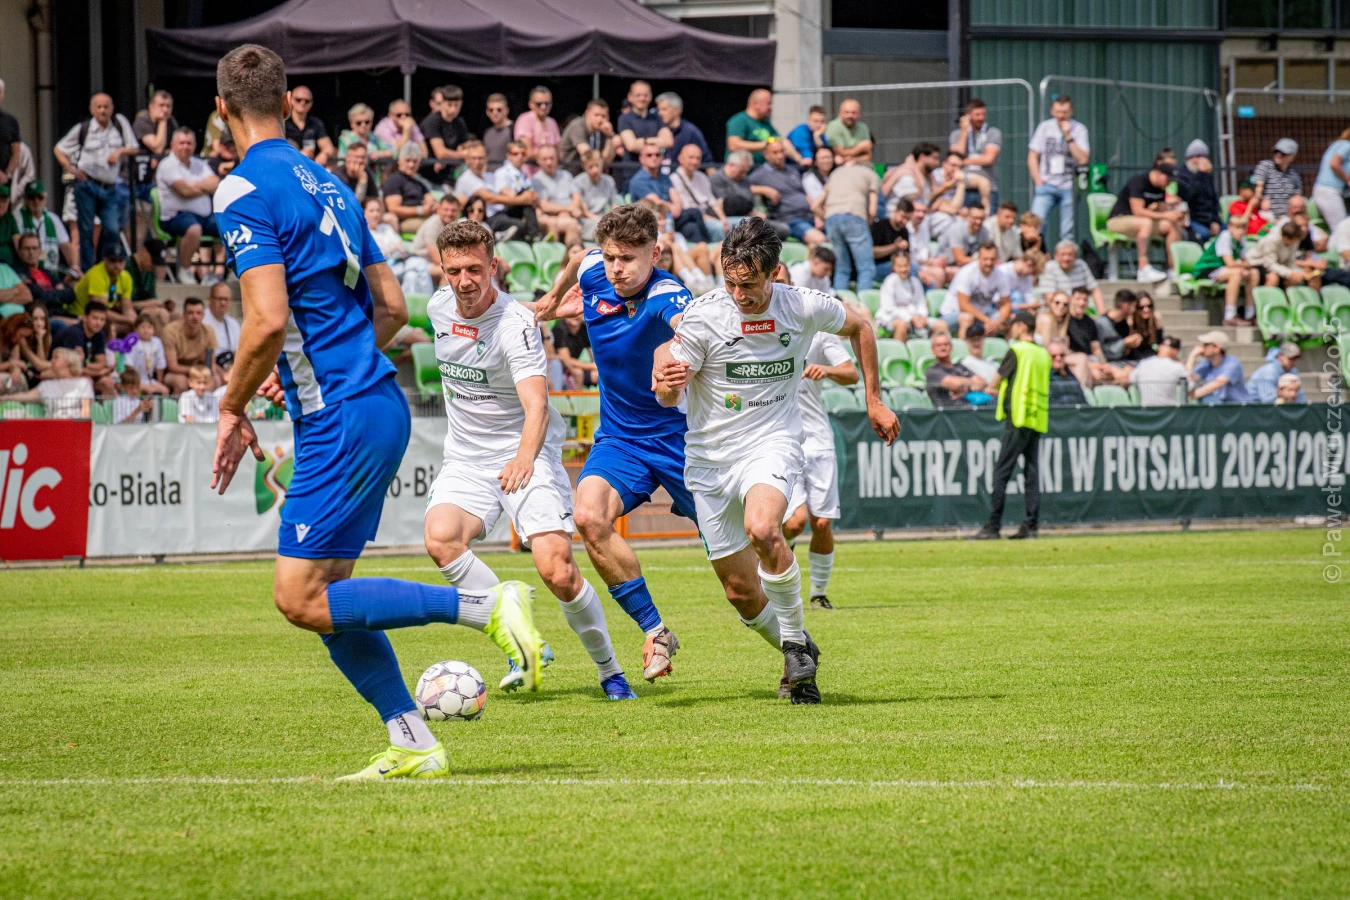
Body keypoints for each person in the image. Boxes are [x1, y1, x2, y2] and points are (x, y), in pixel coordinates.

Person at [208, 44, 549, 782]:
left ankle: (482, 606)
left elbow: (266, 321)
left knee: (298, 597)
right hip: (375, 402)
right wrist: (323, 364)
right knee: (330, 595)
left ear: (222, 110)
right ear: (287, 101)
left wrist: (231, 405)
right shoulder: (330, 184)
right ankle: (412, 739)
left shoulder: (241, 189)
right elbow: (391, 306)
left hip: (340, 415)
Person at [654, 218, 897, 703]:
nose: (738, 294)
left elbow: (861, 327)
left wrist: (874, 400)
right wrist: (667, 383)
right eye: (730, 282)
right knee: (740, 593)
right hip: (708, 460)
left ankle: (794, 648)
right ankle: (799, 645)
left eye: (749, 284)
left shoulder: (801, 305)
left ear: (774, 273)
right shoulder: (704, 316)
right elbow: (666, 395)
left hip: (773, 442)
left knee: (764, 529)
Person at [420, 220, 633, 698]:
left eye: (475, 269)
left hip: (526, 454)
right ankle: (519, 636)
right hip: (466, 460)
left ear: (494, 265)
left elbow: (536, 405)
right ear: (443, 270)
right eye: (454, 271)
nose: (464, 280)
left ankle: (610, 671)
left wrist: (522, 459)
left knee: (557, 570)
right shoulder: (437, 307)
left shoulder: (515, 327)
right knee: (441, 539)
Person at [533, 205, 694, 683]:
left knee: (738, 577)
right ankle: (656, 631)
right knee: (588, 517)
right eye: (610, 258)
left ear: (654, 254)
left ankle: (792, 640)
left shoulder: (668, 294)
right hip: (621, 438)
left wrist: (678, 350)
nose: (615, 268)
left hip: (685, 441)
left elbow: (691, 328)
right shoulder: (592, 268)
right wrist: (552, 298)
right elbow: (576, 261)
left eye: (627, 259)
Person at [780, 289, 858, 613]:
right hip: (783, 440)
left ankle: (818, 594)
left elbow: (852, 373)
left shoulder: (820, 335)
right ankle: (778, 556)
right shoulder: (762, 333)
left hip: (818, 439)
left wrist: (827, 370)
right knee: (796, 522)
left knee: (822, 523)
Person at [970, 311, 1050, 540]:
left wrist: (985, 389)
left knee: (1001, 472)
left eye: (1014, 325)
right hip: (1037, 417)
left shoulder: (1017, 350)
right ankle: (1031, 526)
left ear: (1022, 326)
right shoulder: (1043, 354)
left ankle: (993, 525)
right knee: (1031, 474)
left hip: (1018, 416)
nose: (1012, 329)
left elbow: (995, 381)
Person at [54, 93, 138, 269]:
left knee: (112, 229)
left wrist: (119, 152)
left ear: (112, 108)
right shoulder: (83, 129)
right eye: (99, 107)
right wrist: (71, 169)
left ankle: (108, 268)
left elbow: (134, 148)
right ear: (92, 110)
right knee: (86, 230)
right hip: (87, 185)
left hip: (109, 186)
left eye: (106, 107)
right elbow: (59, 149)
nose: (102, 111)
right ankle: (88, 271)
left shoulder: (119, 124)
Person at [157, 127, 223, 285]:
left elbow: (216, 183)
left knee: (228, 224)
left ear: (194, 145)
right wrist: (204, 187)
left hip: (203, 216)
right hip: (175, 217)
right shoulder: (167, 165)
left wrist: (193, 185)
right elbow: (184, 191)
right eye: (182, 143)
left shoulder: (200, 164)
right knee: (194, 229)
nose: (185, 147)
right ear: (173, 145)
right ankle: (185, 270)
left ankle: (224, 271)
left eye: (189, 143)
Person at [1028, 94, 1089, 244]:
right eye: (1057, 112)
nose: (1061, 116)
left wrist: (1068, 137)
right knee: (1036, 225)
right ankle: (1039, 255)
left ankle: (1065, 257)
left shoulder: (1079, 129)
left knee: (1067, 231)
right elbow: (1032, 155)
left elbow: (1083, 159)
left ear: (1071, 112)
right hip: (1046, 185)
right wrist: (1038, 180)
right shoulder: (1044, 127)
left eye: (1065, 112)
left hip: (1068, 187)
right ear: (1052, 111)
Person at [812, 158, 880, 292]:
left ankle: (839, 303)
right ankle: (863, 303)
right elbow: (873, 210)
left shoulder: (836, 173)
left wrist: (828, 219)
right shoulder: (871, 174)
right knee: (866, 268)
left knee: (842, 268)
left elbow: (815, 206)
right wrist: (866, 225)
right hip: (854, 216)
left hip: (831, 219)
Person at [1105, 163, 1177, 284]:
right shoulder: (1138, 182)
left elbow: (1156, 210)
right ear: (1158, 174)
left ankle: (1172, 269)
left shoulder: (1161, 189)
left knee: (1170, 226)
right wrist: (1165, 215)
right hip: (1118, 221)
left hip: (1142, 224)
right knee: (1146, 223)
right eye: (1168, 179)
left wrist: (1171, 210)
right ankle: (1143, 269)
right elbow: (1137, 211)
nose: (1169, 183)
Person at [748, 139, 823, 245]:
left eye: (782, 151)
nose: (780, 156)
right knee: (820, 240)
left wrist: (818, 216)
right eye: (775, 153)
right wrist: (763, 189)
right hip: (790, 219)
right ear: (766, 155)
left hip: (810, 216)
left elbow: (805, 195)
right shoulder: (760, 174)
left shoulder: (793, 170)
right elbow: (743, 187)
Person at [454, 140, 529, 239]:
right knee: (520, 225)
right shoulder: (466, 178)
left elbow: (503, 191)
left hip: (502, 213)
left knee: (528, 207)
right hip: (485, 218)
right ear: (467, 160)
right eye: (474, 158)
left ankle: (535, 234)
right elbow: (490, 198)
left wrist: (525, 196)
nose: (477, 162)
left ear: (486, 159)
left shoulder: (490, 176)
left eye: (481, 158)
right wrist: (521, 199)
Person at [1195, 214, 1259, 325]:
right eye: (1237, 228)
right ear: (1230, 228)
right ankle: (1229, 316)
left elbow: (1247, 262)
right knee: (1236, 274)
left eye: (1243, 228)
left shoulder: (1242, 240)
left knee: (1254, 273)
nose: (1241, 232)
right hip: (1208, 268)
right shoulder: (1225, 237)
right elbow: (1230, 263)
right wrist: (1242, 266)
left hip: (1226, 269)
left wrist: (1243, 267)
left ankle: (1250, 314)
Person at [13, 180, 79, 276]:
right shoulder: (18, 218)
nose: (36, 201)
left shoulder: (53, 219)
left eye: (40, 197)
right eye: (32, 197)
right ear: (26, 200)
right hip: (28, 272)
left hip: (51, 272)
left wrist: (74, 267)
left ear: (45, 198)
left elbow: (66, 246)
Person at [946, 242, 1012, 337]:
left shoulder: (1001, 275)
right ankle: (962, 345)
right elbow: (963, 305)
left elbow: (1006, 304)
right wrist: (988, 321)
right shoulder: (967, 273)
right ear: (979, 258)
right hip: (954, 313)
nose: (989, 263)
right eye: (985, 259)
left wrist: (997, 322)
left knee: (1010, 319)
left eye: (992, 259)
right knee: (967, 318)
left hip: (982, 314)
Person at [50, 299, 115, 396]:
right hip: (57, 372)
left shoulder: (99, 334)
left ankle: (106, 407)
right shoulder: (75, 334)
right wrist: (98, 372)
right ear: (84, 317)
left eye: (102, 320)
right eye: (95, 318)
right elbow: (73, 368)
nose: (98, 323)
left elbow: (102, 363)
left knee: (108, 382)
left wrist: (86, 365)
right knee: (87, 381)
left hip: (83, 371)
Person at [8, 346, 94, 417]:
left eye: (56, 358)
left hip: (76, 427)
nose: (52, 361)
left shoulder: (83, 383)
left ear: (68, 361)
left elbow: (85, 411)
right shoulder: (46, 385)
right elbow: (24, 396)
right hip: (53, 427)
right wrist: (3, 398)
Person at [669, 143, 727, 242]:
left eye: (698, 158)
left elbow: (712, 201)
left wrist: (723, 219)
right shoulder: (674, 179)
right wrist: (717, 221)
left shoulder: (702, 176)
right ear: (681, 159)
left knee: (742, 222)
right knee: (718, 227)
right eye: (691, 157)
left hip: (710, 215)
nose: (694, 161)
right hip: (694, 219)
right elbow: (687, 208)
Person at [161, 296, 219, 393]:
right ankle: (178, 403)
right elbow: (172, 366)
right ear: (184, 315)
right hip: (175, 373)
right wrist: (196, 372)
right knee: (181, 382)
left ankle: (210, 403)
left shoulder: (208, 331)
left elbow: (210, 364)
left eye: (198, 313)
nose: (195, 317)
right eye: (190, 313)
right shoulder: (170, 331)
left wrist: (211, 375)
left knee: (216, 380)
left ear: (203, 315)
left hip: (199, 370)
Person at [725, 89, 796, 167]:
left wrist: (799, 159)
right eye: (768, 103)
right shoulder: (739, 121)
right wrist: (764, 145)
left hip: (763, 170)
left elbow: (781, 141)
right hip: (744, 171)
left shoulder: (766, 123)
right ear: (756, 104)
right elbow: (734, 145)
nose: (771, 107)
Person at [531, 144, 583, 245]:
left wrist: (569, 212)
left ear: (557, 158)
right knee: (572, 225)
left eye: (551, 158)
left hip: (569, 215)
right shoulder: (537, 180)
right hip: (551, 217)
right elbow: (545, 206)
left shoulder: (566, 175)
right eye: (545, 159)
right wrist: (568, 209)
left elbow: (577, 196)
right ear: (538, 161)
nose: (549, 162)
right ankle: (570, 255)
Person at [70, 245, 133, 325]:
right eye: (113, 260)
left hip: (103, 316)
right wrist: (129, 320)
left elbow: (127, 309)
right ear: (105, 260)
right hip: (81, 315)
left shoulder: (126, 277)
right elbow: (101, 310)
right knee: (111, 326)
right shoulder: (97, 275)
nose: (117, 265)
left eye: (120, 261)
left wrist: (135, 322)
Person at [876, 251, 932, 340]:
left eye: (906, 265)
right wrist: (910, 318)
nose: (903, 269)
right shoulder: (889, 282)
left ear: (910, 265)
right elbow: (888, 308)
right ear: (894, 267)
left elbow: (920, 302)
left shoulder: (915, 281)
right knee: (902, 325)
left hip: (915, 317)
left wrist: (922, 316)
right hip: (889, 318)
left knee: (940, 325)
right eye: (899, 266)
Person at [493, 141, 543, 240]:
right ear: (508, 156)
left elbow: (532, 196)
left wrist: (530, 197)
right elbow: (504, 192)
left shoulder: (525, 175)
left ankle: (535, 235)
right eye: (515, 153)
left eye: (523, 153)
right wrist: (524, 197)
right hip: (503, 212)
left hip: (520, 210)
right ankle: (535, 234)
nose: (520, 156)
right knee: (525, 196)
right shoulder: (502, 172)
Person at [420, 84, 470, 181]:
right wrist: (462, 154)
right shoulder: (432, 121)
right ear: (442, 103)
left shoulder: (460, 122)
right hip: (427, 177)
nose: (453, 109)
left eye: (457, 105)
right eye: (449, 105)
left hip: (449, 175)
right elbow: (441, 153)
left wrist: (461, 149)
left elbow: (466, 146)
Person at [924, 330, 985, 408]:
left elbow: (982, 382)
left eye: (946, 344)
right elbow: (956, 384)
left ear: (951, 347)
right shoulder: (932, 371)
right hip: (948, 412)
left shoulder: (960, 367)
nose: (943, 348)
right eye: (938, 345)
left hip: (969, 408)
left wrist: (964, 387)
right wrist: (970, 384)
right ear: (933, 349)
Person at [383, 142, 435, 233]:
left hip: (424, 217)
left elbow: (430, 198)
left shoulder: (419, 181)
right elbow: (393, 209)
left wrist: (432, 205)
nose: (411, 165)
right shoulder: (394, 180)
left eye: (415, 161)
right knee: (433, 226)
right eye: (408, 160)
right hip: (405, 221)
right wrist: (420, 210)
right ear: (400, 161)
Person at [1176, 140, 1222, 241]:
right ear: (1192, 158)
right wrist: (1199, 174)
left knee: (1227, 232)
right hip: (1193, 219)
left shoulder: (1206, 176)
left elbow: (1214, 200)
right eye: (1199, 157)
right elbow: (1189, 196)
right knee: (1203, 234)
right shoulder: (1182, 176)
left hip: (1209, 220)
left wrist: (1215, 221)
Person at [1039, 239, 1104, 311]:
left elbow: (1095, 289)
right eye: (1063, 254)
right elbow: (1050, 298)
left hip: (1080, 309)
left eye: (1070, 254)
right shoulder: (1049, 268)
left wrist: (1102, 313)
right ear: (1056, 256)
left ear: (1076, 256)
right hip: (1058, 311)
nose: (1066, 258)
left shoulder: (1081, 265)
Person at [1187, 330, 1249, 404]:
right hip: (1218, 406)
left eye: (1206, 345)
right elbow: (1189, 378)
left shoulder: (1232, 363)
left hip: (1238, 406)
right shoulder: (1205, 363)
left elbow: (1218, 383)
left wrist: (1193, 395)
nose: (1202, 348)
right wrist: (1192, 356)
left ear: (1217, 348)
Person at [560, 99, 618, 174]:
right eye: (596, 115)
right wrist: (600, 158)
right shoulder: (577, 126)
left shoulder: (602, 131)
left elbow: (607, 160)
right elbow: (587, 155)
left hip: (589, 175)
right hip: (568, 173)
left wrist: (609, 136)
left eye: (603, 116)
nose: (600, 119)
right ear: (587, 113)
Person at [656, 92, 712, 170]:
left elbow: (707, 161)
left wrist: (713, 177)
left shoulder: (690, 131)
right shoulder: (656, 128)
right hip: (658, 176)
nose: (659, 113)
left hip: (681, 176)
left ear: (677, 110)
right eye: (658, 109)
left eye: (664, 109)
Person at [882, 142, 941, 214]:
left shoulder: (928, 177)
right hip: (900, 218)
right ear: (922, 157)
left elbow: (936, 200)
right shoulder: (907, 177)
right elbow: (917, 203)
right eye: (934, 158)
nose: (937, 163)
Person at [1129, 335, 1189, 406]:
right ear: (1175, 351)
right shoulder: (1177, 366)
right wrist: (1192, 356)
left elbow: (1131, 379)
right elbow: (1190, 387)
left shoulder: (1143, 363)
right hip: (1169, 410)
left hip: (1146, 410)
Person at [1250, 139, 1302, 220]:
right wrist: (1262, 199)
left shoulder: (1294, 175)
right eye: (1276, 151)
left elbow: (1297, 198)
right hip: (1266, 216)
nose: (1278, 155)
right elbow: (1256, 188)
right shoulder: (1265, 166)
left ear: (1292, 157)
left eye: (1283, 153)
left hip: (1287, 218)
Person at [1248, 222, 1310, 289]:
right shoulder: (1271, 240)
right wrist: (1289, 273)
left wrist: (1296, 273)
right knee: (1273, 278)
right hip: (1257, 264)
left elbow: (1290, 262)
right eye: (1294, 241)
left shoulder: (1295, 241)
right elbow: (1270, 264)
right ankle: (1265, 295)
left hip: (1276, 265)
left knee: (1294, 279)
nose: (1296, 243)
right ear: (1286, 238)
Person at [283, 86, 334, 167]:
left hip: (311, 166)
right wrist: (299, 155)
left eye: (307, 101)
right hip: (289, 165)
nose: (302, 103)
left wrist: (324, 155)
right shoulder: (283, 122)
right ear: (291, 100)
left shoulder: (315, 123)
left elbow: (328, 147)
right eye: (298, 100)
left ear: (311, 104)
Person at [937, 203, 990, 280]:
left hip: (966, 266)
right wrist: (983, 261)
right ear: (968, 217)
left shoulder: (985, 232)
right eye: (975, 218)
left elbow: (987, 253)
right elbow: (960, 260)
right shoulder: (957, 229)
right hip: (946, 265)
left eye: (981, 219)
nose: (978, 222)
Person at [337, 104, 394, 177]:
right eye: (359, 123)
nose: (363, 125)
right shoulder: (346, 138)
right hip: (353, 178)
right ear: (352, 124)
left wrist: (379, 154)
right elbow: (341, 162)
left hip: (374, 179)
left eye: (367, 122)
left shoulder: (374, 138)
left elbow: (394, 152)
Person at [513, 87, 561, 166]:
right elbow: (525, 152)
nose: (543, 107)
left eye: (547, 103)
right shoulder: (525, 120)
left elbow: (559, 151)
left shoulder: (552, 122)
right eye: (539, 104)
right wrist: (548, 156)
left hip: (550, 170)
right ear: (530, 104)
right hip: (530, 171)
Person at [123, 312, 169, 393]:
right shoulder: (133, 343)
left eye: (149, 327)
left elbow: (160, 364)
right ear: (136, 329)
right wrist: (136, 381)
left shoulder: (157, 342)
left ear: (154, 329)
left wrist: (159, 382)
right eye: (142, 327)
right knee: (149, 390)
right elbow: (129, 365)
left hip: (149, 379)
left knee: (165, 391)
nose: (146, 330)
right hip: (134, 380)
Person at [1313, 128, 1350, 229]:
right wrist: (1347, 179)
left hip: (1324, 191)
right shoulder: (1347, 145)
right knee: (1341, 228)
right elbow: (1334, 163)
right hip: (1329, 192)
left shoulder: (1337, 144)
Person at [711, 150, 756, 225]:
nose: (744, 175)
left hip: (743, 215)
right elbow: (721, 203)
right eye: (741, 172)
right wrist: (723, 221)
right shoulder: (717, 178)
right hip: (723, 217)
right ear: (731, 165)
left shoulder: (744, 180)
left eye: (746, 172)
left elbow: (749, 200)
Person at [552, 314, 597, 388]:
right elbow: (566, 360)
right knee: (578, 372)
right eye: (572, 313)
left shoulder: (584, 328)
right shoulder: (559, 329)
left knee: (600, 375)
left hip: (576, 367)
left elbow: (594, 356)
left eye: (579, 313)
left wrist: (597, 366)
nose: (576, 316)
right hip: (560, 369)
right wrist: (592, 366)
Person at [869, 197, 911, 270]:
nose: (905, 221)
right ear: (896, 211)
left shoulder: (904, 231)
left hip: (897, 265)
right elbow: (872, 252)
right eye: (903, 217)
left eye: (908, 219)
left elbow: (907, 256)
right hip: (877, 266)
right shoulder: (880, 226)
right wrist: (894, 247)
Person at [204, 281, 240, 358]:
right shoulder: (201, 320)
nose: (223, 303)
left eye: (226, 299)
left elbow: (237, 352)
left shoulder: (233, 324)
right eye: (219, 299)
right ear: (210, 300)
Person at [1047, 338, 1087, 406]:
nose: (1058, 358)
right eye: (1054, 356)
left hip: (1078, 411)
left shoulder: (1071, 375)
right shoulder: (1046, 377)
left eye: (1062, 355)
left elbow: (1082, 398)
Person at [481, 94, 514, 170]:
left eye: (499, 110)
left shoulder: (514, 129)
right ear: (487, 112)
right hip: (488, 174)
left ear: (506, 110)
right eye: (491, 110)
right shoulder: (487, 132)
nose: (495, 113)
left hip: (508, 174)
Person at [0, 78, 19, 191]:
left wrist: (7, 174)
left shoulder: (11, 121)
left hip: (5, 181)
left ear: (4, 95)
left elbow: (16, 152)